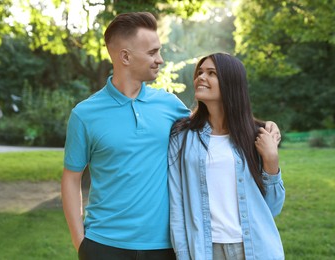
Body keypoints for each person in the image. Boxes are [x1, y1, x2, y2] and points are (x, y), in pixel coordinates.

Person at [61, 12, 281, 260]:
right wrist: (80, 241)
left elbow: (216, 123)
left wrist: (264, 127)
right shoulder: (85, 114)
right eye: (153, 52)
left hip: (165, 247)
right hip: (104, 244)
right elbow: (71, 178)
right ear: (125, 56)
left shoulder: (170, 106)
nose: (160, 60)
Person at [168, 53, 285, 260]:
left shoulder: (257, 135)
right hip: (205, 250)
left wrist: (271, 161)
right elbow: (176, 202)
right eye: (200, 72)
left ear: (230, 83)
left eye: (211, 73)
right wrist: (183, 254)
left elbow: (272, 209)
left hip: (254, 249)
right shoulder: (183, 136)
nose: (201, 78)